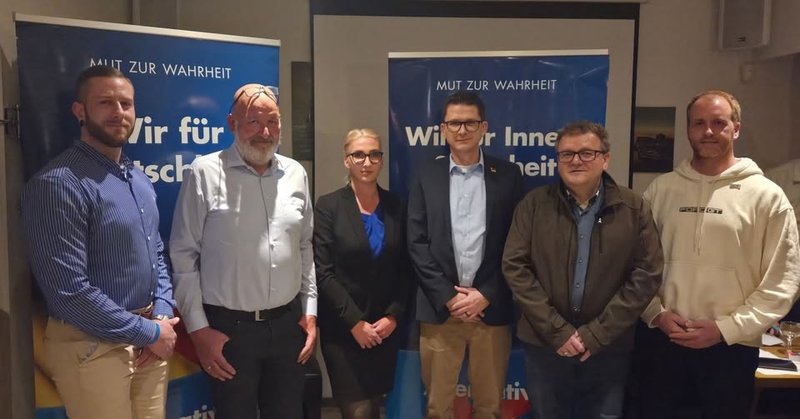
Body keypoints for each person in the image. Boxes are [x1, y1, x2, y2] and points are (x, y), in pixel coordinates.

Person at [21, 65, 179, 419]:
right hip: (92, 345)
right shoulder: (58, 184)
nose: (118, 112)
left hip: (150, 341)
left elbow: (156, 252)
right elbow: (68, 291)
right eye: (105, 102)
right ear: (80, 111)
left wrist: (162, 313)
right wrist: (148, 332)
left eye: (126, 103)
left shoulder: (138, 180)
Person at [636, 90, 800, 418]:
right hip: (663, 342)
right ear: (688, 129)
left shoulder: (767, 197)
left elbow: (783, 280)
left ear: (736, 128)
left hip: (731, 349)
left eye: (719, 123)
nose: (708, 131)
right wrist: (656, 314)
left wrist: (727, 328)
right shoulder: (661, 190)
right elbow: (636, 264)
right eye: (699, 123)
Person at [170, 83, 317, 419]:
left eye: (272, 122)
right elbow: (183, 255)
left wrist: (310, 312)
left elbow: (304, 246)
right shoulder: (204, 173)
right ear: (232, 123)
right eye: (253, 122)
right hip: (229, 332)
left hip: (288, 327)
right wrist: (198, 331)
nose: (265, 132)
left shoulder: (296, 174)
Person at [502, 121, 663, 419]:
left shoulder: (633, 208)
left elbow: (646, 274)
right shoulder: (533, 206)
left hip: (607, 349)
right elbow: (515, 267)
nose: (576, 161)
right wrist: (558, 332)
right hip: (546, 346)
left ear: (606, 158)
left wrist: (597, 334)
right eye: (567, 154)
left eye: (587, 153)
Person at [407, 90, 523, 419]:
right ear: (443, 129)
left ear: (483, 127)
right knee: (438, 408)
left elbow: (517, 244)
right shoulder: (425, 174)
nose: (462, 130)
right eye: (454, 123)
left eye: (470, 123)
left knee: (489, 408)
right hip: (441, 311)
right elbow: (416, 242)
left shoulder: (509, 176)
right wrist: (449, 297)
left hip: (491, 310)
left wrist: (486, 294)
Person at [314, 128, 412, 419]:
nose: (366, 162)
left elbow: (407, 268)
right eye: (358, 155)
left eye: (373, 155)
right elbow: (323, 272)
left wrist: (393, 316)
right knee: (358, 410)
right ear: (347, 160)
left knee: (374, 406)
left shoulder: (397, 206)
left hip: (384, 328)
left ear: (381, 160)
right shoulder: (328, 206)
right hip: (344, 329)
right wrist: (355, 323)